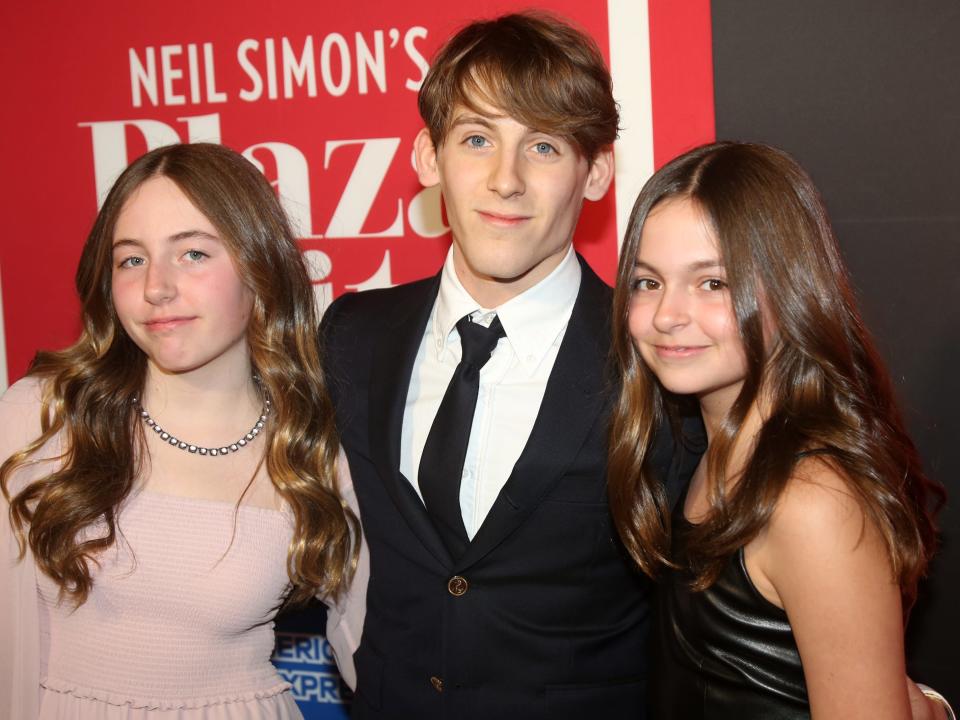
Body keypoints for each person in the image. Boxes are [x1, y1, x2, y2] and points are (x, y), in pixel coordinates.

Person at [319, 12, 699, 719]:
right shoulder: (351, 336)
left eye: (545, 148)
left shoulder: (658, 361)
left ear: (597, 173)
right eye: (475, 139)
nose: (506, 180)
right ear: (428, 159)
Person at [0, 142, 364, 718]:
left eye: (193, 254)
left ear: (258, 266)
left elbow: (381, 653)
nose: (156, 288)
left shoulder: (312, 448)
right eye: (131, 259)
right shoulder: (41, 418)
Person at [608, 141, 947, 719]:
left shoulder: (811, 500)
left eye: (712, 282)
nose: (667, 315)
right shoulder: (709, 452)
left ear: (789, 289)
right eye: (648, 282)